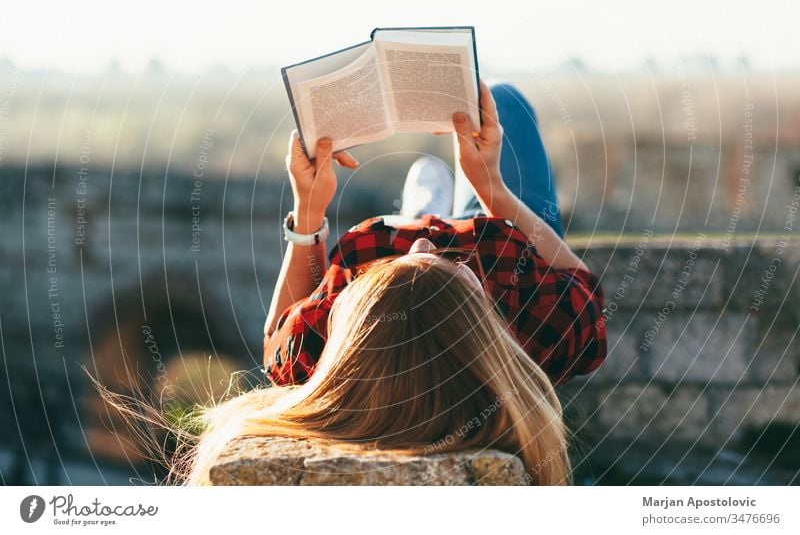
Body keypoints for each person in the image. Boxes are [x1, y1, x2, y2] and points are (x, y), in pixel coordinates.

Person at [182, 80, 606, 485]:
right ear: (485, 325)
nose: (422, 242)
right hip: (499, 231)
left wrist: (308, 211)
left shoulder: (324, 351)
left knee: (494, 109)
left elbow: (279, 335)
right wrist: (492, 187)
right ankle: (442, 207)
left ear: (356, 330)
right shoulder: (536, 323)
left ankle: (420, 208)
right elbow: (583, 283)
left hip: (396, 243)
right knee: (503, 100)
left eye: (398, 265)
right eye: (452, 267)